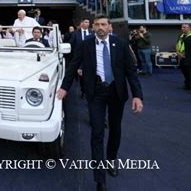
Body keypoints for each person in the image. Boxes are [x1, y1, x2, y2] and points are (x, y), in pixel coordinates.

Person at [57, 15, 143, 191]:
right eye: (97, 24)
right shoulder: (86, 44)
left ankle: (111, 159)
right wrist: (65, 87)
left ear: (110, 27)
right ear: (93, 28)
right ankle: (100, 179)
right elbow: (73, 65)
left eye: (103, 24)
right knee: (97, 132)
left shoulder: (120, 44)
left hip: (116, 92)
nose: (100, 27)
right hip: (96, 92)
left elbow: (131, 71)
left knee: (115, 128)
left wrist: (137, 95)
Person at [176, 24, 191, 91]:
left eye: (184, 27)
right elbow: (177, 44)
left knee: (190, 73)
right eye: (182, 27)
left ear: (189, 28)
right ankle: (187, 85)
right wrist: (177, 52)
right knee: (185, 72)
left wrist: (182, 54)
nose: (182, 28)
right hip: (181, 57)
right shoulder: (181, 35)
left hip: (188, 57)